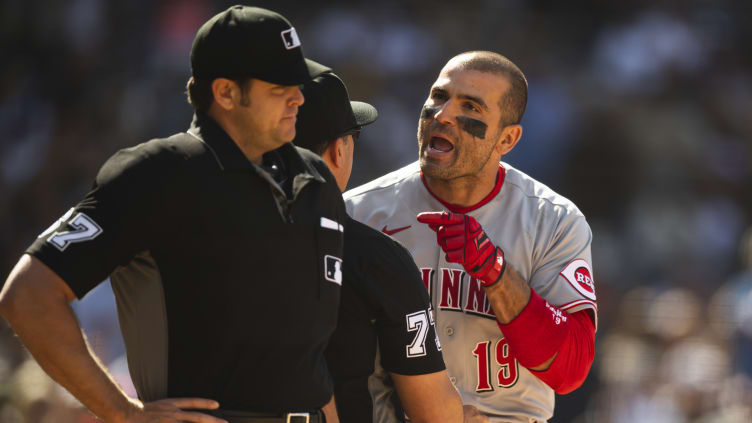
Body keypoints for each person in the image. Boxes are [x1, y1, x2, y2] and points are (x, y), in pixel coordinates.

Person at [0, 6, 345, 423]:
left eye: (299, 83)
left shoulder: (317, 180)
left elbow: (313, 355)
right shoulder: (158, 172)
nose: (299, 97)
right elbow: (28, 295)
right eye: (280, 87)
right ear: (226, 93)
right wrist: (123, 412)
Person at [344, 51, 597, 423]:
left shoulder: (553, 221)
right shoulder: (359, 212)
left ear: (506, 139)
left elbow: (570, 369)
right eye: (439, 96)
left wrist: (495, 273)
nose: (443, 115)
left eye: (471, 107)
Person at [293, 71, 464, 423]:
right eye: (352, 135)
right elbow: (433, 413)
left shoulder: (218, 236)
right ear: (339, 150)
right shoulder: (375, 257)